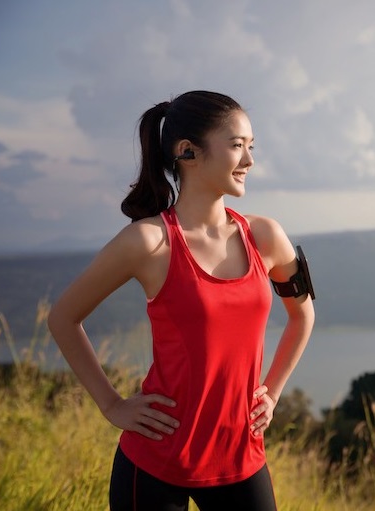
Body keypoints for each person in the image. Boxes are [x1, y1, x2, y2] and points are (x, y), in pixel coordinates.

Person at [48, 90, 315, 510]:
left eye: (251, 147)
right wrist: (112, 404)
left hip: (241, 458)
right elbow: (63, 318)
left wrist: (273, 391)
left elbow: (302, 316)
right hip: (155, 461)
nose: (249, 161)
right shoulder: (149, 242)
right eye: (236, 146)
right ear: (187, 151)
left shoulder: (265, 237)